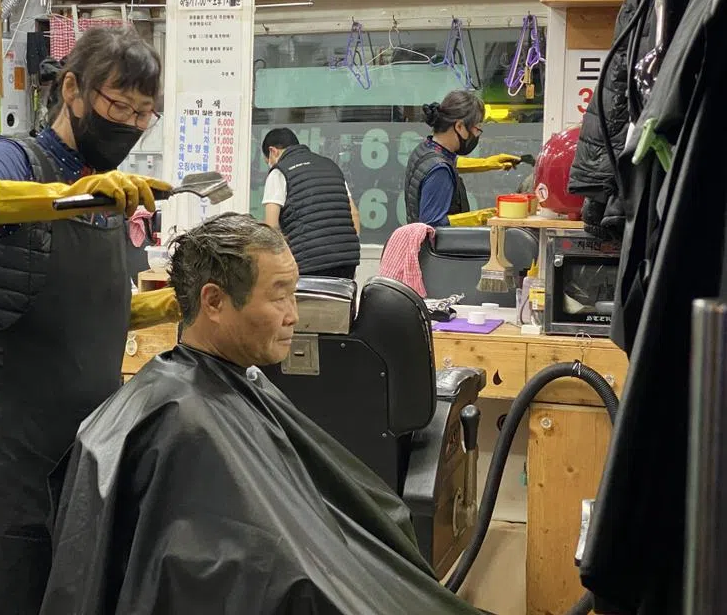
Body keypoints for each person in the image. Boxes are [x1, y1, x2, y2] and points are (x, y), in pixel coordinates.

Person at [39, 213, 481, 615]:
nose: (294, 315)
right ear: (213, 302)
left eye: (294, 294)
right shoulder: (175, 419)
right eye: (278, 297)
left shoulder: (234, 386)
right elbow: (256, 572)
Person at [0, 27, 182, 615]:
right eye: (119, 105)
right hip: (11, 439)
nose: (130, 123)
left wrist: (172, 306)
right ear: (72, 88)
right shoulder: (19, 156)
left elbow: (86, 311)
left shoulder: (111, 190)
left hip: (88, 436)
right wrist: (66, 198)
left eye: (144, 114)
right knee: (2, 590)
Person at [403, 89, 519, 227]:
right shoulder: (439, 170)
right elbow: (431, 225)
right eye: (477, 128)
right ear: (459, 126)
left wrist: (488, 163)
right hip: (438, 248)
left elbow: (450, 162)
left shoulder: (426, 149)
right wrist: (480, 217)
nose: (476, 134)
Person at [261, 127, 362, 279]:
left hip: (308, 263)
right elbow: (354, 213)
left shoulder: (279, 172)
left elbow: (271, 227)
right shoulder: (330, 166)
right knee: (340, 302)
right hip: (347, 261)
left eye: (267, 160)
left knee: (310, 303)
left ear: (273, 151)